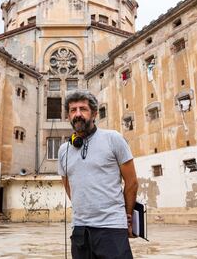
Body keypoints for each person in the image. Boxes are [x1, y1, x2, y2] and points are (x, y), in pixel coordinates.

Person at [58, 90, 139, 259]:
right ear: (68, 116)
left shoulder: (113, 139)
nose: (78, 114)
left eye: (83, 109)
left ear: (94, 113)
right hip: (80, 230)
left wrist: (127, 216)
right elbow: (67, 184)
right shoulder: (63, 150)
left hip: (112, 228)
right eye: (73, 110)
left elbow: (131, 182)